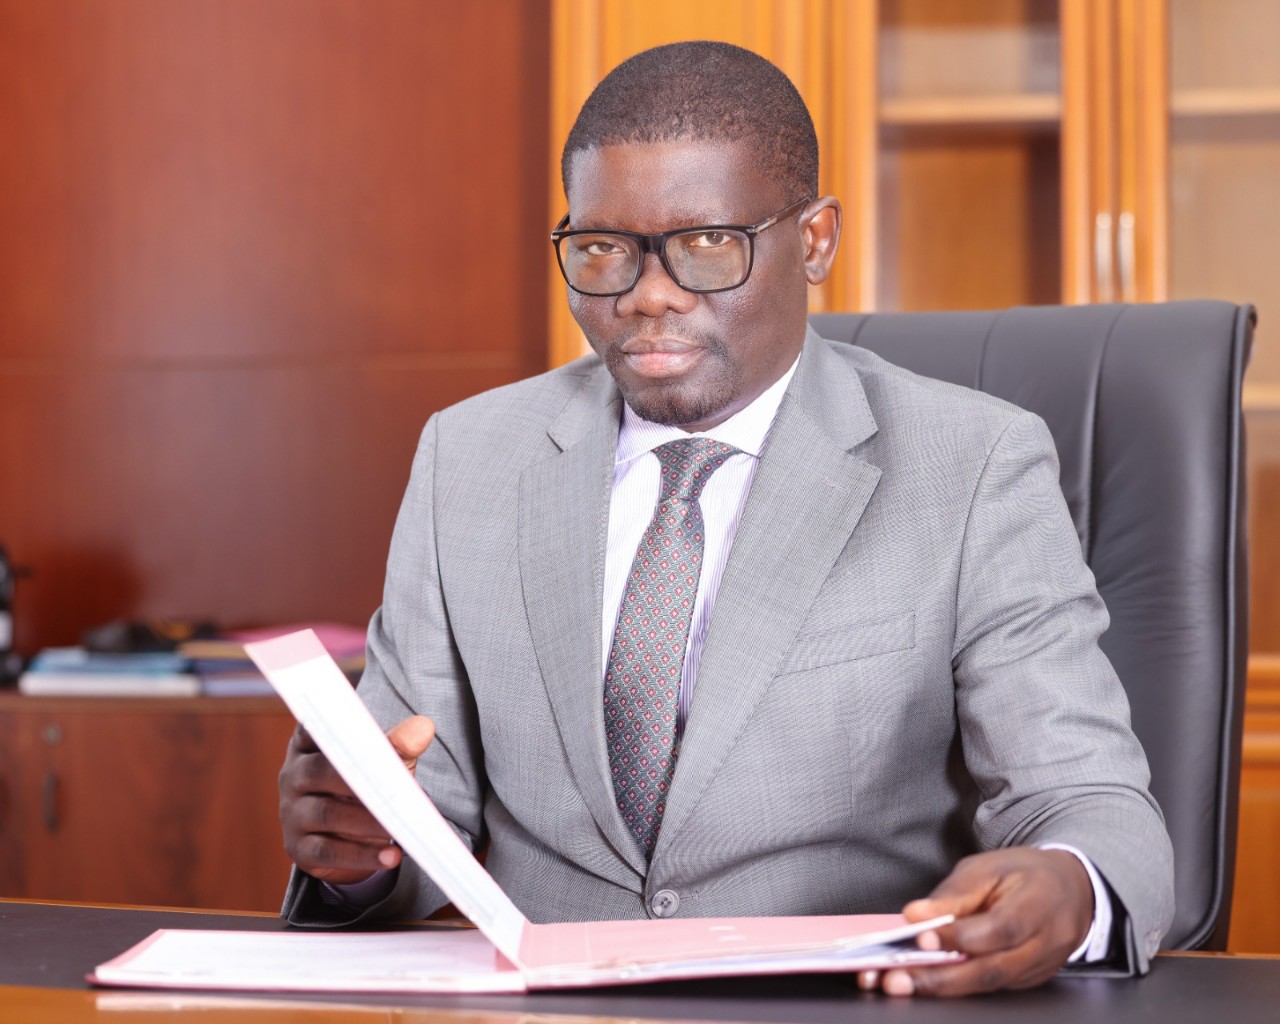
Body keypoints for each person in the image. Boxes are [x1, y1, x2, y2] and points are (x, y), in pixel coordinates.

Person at [278, 41, 1174, 997]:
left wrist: (1068, 885)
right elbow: (414, 820)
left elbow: (1089, 801)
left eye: (707, 243)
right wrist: (356, 853)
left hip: (840, 1011)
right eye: (602, 248)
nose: (647, 294)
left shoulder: (971, 466)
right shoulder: (469, 458)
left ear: (815, 241)